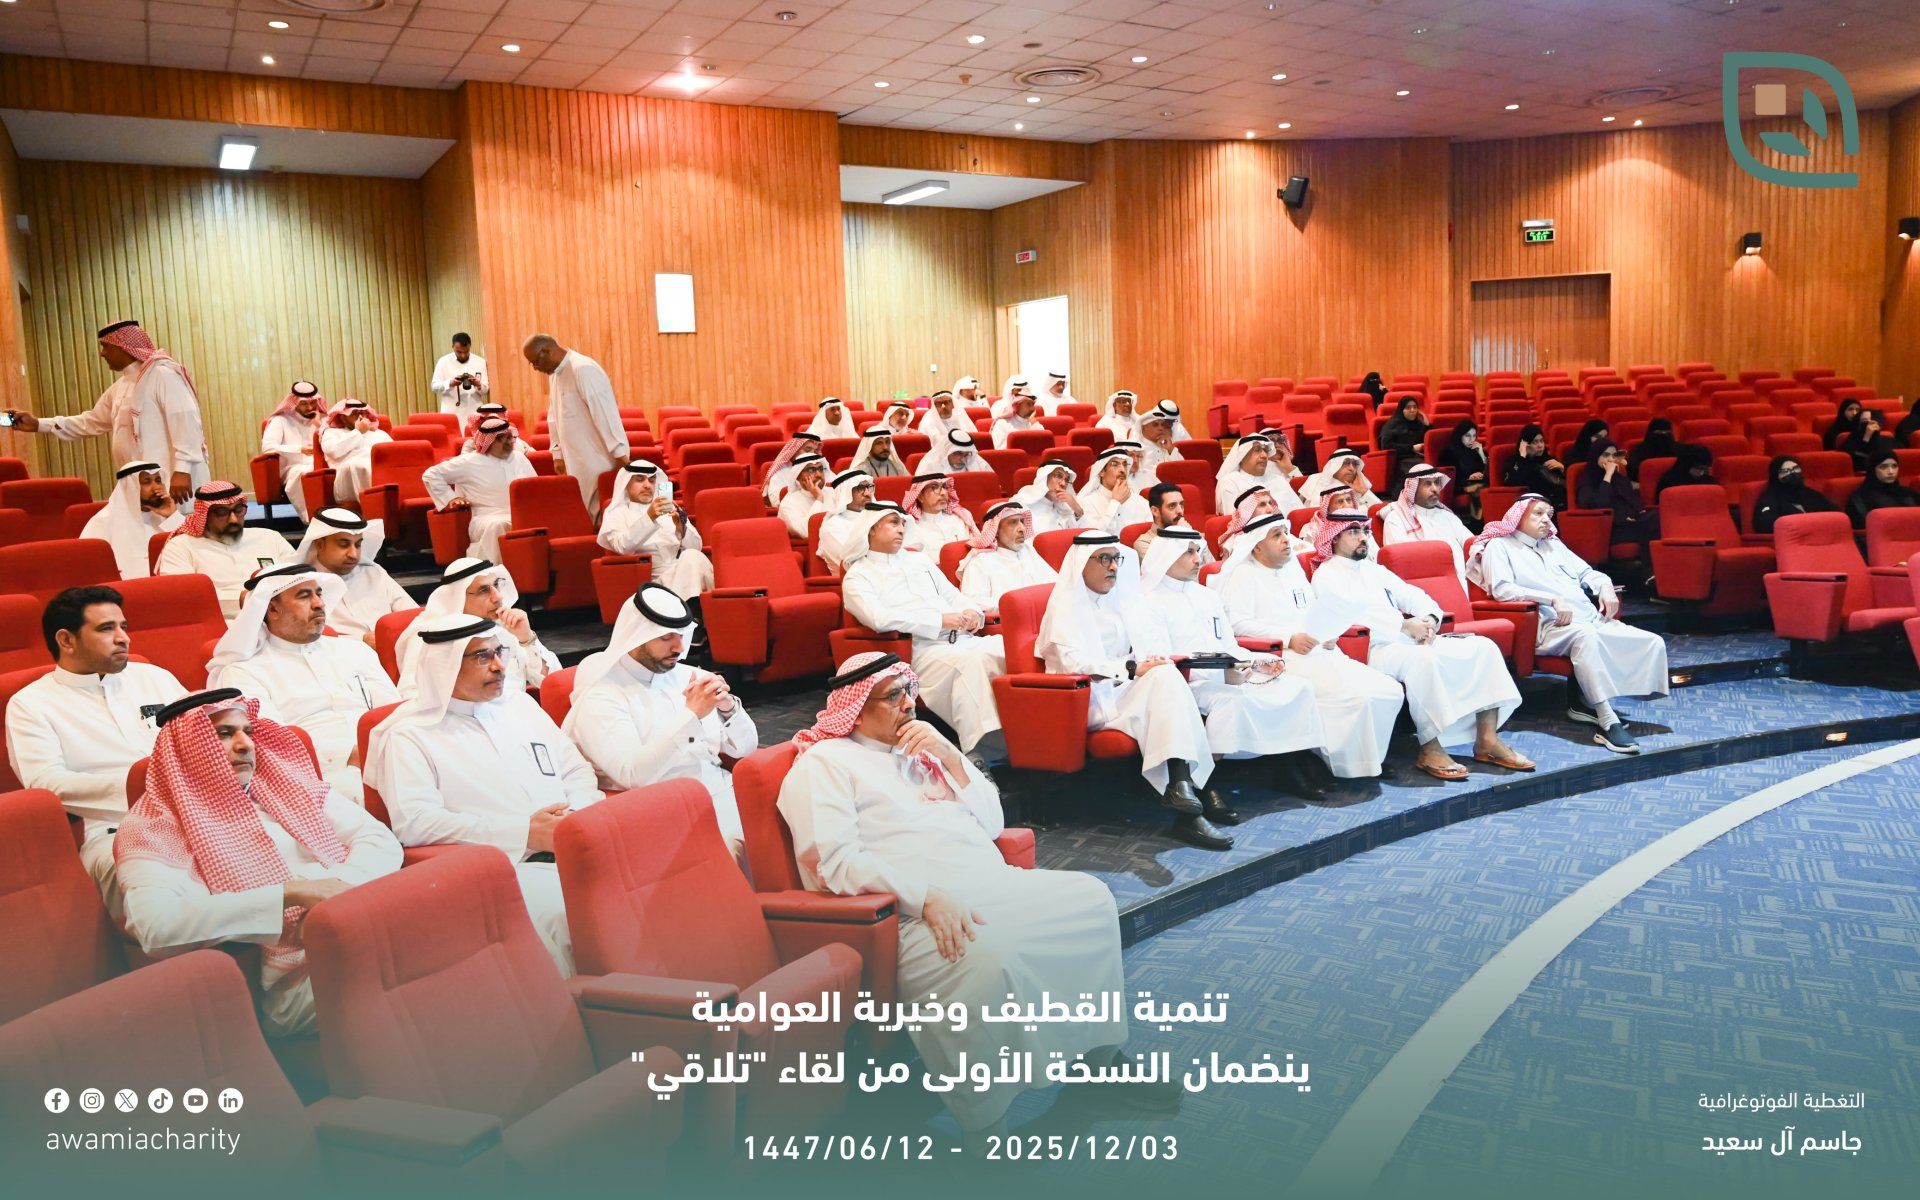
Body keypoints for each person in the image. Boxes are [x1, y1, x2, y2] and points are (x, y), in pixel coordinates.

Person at [777, 652, 1162, 1146]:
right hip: (914, 912)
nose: (908, 704)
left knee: (1092, 901)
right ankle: (986, 1128)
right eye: (893, 696)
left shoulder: (921, 748)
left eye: (909, 690)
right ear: (853, 708)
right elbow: (833, 863)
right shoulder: (824, 763)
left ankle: (1100, 1066)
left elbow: (993, 822)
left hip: (991, 883)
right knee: (986, 955)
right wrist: (925, 898)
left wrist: (951, 755)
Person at [115, 689, 402, 1037]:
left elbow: (378, 839)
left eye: (247, 732)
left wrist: (333, 898)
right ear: (185, 748)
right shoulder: (154, 826)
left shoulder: (283, 784)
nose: (245, 744)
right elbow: (155, 927)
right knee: (426, 967)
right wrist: (290, 894)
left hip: (359, 930)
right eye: (223, 734)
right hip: (300, 981)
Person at [367, 614, 601, 975]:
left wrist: (572, 820)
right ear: (444, 665)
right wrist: (524, 832)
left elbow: (577, 770)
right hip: (507, 867)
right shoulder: (410, 735)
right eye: (482, 657)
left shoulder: (520, 706)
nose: (499, 666)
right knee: (578, 909)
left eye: (498, 652)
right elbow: (415, 823)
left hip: (576, 844)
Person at [1037, 534, 1231, 848]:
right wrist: (1130, 669)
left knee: (1165, 675)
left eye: (1116, 559)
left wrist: (1152, 660)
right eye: (1104, 559)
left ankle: (1182, 792)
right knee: (1164, 686)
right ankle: (1191, 791)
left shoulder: (1120, 599)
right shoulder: (1065, 605)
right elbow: (1075, 662)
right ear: (1081, 563)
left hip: (1123, 691)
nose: (1113, 566)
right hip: (1088, 698)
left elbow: (1146, 643)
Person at [1311, 514, 1528, 779]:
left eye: (1365, 531)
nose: (1363, 537)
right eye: (1353, 532)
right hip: (1370, 649)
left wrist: (1430, 620)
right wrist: (1404, 626)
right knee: (1423, 661)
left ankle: (1487, 740)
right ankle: (1430, 748)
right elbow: (1349, 615)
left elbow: (1412, 594)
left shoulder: (1373, 569)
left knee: (1483, 647)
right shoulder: (1326, 575)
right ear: (1334, 538)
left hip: (1405, 640)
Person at [6, 586, 186, 901]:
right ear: (66, 640)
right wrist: (139, 788)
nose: (124, 638)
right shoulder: (30, 704)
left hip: (196, 811)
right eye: (106, 629)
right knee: (160, 874)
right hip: (112, 829)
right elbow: (45, 784)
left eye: (123, 626)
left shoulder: (154, 677)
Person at [563, 585, 756, 867]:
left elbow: (746, 749)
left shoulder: (689, 675)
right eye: (666, 637)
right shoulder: (603, 696)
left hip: (722, 791)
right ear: (636, 636)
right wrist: (691, 715)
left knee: (794, 816)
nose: (679, 647)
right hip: (663, 812)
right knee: (736, 844)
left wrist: (729, 709)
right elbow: (632, 775)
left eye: (682, 635)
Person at [1468, 496, 1670, 754]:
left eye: (1548, 514)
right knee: (1586, 638)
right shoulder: (1499, 545)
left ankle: (1585, 702)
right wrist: (1550, 599)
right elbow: (1502, 590)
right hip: (1548, 625)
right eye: (1538, 513)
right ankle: (1607, 721)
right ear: (1517, 517)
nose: (1546, 520)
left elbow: (1587, 572)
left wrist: (1605, 586)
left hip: (1587, 617)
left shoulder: (1553, 544)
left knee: (1651, 641)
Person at [1138, 530, 1329, 799]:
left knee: (1297, 687)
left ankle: (1288, 766)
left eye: (1197, 552)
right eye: (1188, 552)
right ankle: (1205, 783)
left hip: (1228, 675)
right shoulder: (1148, 601)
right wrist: (1223, 673)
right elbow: (1162, 659)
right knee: (1231, 701)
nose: (1198, 560)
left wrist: (1257, 662)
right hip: (1186, 684)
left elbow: (1229, 645)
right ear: (1166, 556)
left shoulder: (1207, 596)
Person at [1212, 513, 1402, 779]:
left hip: (1320, 651)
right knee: (1355, 697)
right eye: (1276, 535)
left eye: (1285, 533)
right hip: (1281, 656)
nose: (1286, 540)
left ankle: (1370, 758)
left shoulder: (1292, 569)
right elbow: (1238, 625)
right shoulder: (1244, 575)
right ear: (1256, 546)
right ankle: (1342, 763)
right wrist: (1289, 637)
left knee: (1387, 689)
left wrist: (1328, 632)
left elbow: (1313, 611)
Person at [207, 564, 399, 802]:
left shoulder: (356, 650)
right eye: (304, 596)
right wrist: (347, 755)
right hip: (319, 775)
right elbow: (273, 745)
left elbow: (394, 712)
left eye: (319, 594)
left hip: (387, 754)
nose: (319, 604)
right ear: (273, 609)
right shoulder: (243, 672)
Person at [841, 505, 1004, 752]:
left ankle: (1027, 734)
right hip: (919, 649)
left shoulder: (919, 560)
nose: (901, 529)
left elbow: (952, 595)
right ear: (871, 529)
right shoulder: (858, 575)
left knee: (1008, 649)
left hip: (963, 638)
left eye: (902, 524)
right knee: (970, 664)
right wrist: (938, 621)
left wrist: (973, 612)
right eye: (893, 523)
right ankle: (980, 752)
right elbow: (878, 618)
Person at [7, 320, 208, 503]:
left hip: (174, 482)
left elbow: (186, 422)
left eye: (106, 347)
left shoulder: (163, 375)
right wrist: (39, 424)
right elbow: (91, 422)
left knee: (179, 530)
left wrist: (183, 471)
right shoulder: (120, 386)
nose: (102, 354)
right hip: (140, 484)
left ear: (123, 347)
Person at [397, 557, 559, 698]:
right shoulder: (432, 637)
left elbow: (552, 682)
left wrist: (526, 638)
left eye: (496, 585)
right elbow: (412, 696)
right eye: (483, 590)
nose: (498, 597)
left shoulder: (504, 626)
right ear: (458, 597)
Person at [154, 482, 296, 621]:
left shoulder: (269, 537)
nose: (233, 519)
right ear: (204, 515)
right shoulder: (181, 546)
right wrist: (241, 599)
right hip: (222, 624)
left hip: (282, 619)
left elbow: (299, 576)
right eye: (222, 512)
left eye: (238, 510)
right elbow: (181, 596)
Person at [521, 333, 628, 517]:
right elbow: (553, 416)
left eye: (535, 362)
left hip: (600, 461)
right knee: (586, 515)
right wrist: (557, 454)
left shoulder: (584, 369)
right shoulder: (555, 374)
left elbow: (605, 414)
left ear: (547, 351)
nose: (535, 368)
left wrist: (620, 457)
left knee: (605, 516)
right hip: (575, 461)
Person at [421, 415, 537, 563]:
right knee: (498, 525)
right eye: (503, 439)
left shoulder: (519, 458)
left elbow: (534, 486)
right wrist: (451, 498)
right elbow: (431, 475)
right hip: (486, 517)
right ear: (491, 441)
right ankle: (495, 572)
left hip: (521, 514)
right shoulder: (468, 461)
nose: (509, 442)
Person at [293, 508, 412, 643]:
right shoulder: (300, 586)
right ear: (320, 545)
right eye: (344, 545)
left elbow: (413, 615)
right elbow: (305, 640)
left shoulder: (373, 573)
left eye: (358, 545)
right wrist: (361, 641)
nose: (353, 554)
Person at [596, 461, 711, 598]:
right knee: (692, 559)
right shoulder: (617, 513)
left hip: (684, 570)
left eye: (651, 480)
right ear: (626, 484)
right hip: (653, 581)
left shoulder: (671, 508)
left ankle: (688, 608)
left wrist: (682, 530)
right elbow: (622, 547)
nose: (647, 485)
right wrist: (649, 518)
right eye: (640, 480)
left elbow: (696, 547)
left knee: (692, 556)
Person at [80, 460, 182, 579]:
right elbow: (87, 565)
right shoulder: (103, 521)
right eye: (147, 482)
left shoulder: (165, 517)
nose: (156, 487)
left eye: (158, 480)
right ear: (131, 487)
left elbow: (191, 547)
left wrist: (172, 516)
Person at [1380, 463, 1473, 584]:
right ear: (1413, 488)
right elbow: (1399, 562)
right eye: (1428, 484)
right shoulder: (1396, 518)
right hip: (1422, 584)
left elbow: (1471, 543)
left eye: (1436, 483)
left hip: (1463, 580)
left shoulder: (1448, 516)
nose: (1435, 489)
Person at [958, 501, 1055, 607]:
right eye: (1013, 522)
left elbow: (1055, 582)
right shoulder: (980, 561)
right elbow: (974, 601)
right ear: (996, 531)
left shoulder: (1028, 550)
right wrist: (1015, 605)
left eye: (1022, 521)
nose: (1022, 528)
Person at [1575, 439, 1659, 554]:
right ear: (1596, 457)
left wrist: (1633, 514)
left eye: (1614, 455)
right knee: (1650, 527)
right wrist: (1608, 475)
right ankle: (1650, 565)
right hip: (1609, 528)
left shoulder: (1618, 478)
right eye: (1605, 455)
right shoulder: (1587, 479)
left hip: (1629, 523)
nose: (1611, 459)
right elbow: (1600, 503)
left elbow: (1634, 501)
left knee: (1658, 516)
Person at [261, 381, 322, 520]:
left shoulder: (321, 420)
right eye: (304, 404)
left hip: (320, 465)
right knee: (304, 472)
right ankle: (313, 519)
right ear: (294, 403)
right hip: (292, 468)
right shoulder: (280, 421)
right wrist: (299, 449)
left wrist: (319, 425)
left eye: (313, 403)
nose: (310, 407)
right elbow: (268, 448)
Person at [317, 398, 392, 505]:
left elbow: (393, 455)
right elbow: (334, 452)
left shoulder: (379, 433)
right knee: (358, 465)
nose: (360, 417)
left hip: (378, 475)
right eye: (354, 414)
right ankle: (372, 505)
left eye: (363, 413)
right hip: (346, 481)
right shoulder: (331, 433)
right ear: (343, 417)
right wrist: (358, 432)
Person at [1215, 433, 1301, 515]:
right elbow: (1235, 521)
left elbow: (1300, 512)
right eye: (1257, 450)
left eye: (1266, 450)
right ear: (1242, 456)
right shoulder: (1231, 482)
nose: (1264, 455)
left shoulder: (1279, 480)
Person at [1751, 455, 1840, 534]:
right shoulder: (1769, 499)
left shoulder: (1810, 494)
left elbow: (1836, 513)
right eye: (1786, 471)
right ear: (1776, 476)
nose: (1793, 473)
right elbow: (1764, 525)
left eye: (1796, 468)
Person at [903, 471, 977, 554]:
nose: (943, 493)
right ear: (920, 497)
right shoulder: (912, 527)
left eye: (944, 487)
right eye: (934, 487)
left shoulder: (961, 518)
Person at [818, 470, 874, 576]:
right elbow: (852, 563)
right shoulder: (832, 527)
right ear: (845, 493)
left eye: (869, 487)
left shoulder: (877, 518)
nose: (867, 493)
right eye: (860, 488)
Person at [1846, 448, 1920, 528]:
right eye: (1883, 467)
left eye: (1894, 466)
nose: (1891, 472)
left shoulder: (1909, 493)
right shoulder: (1860, 499)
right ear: (1873, 469)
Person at [1010, 458, 1085, 533]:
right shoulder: (1023, 500)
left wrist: (1076, 508)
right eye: (1058, 476)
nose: (1063, 484)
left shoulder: (1062, 508)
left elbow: (1077, 533)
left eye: (1067, 480)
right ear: (1045, 477)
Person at [1133, 481, 1206, 558]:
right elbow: (1166, 565)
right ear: (1155, 511)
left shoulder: (1192, 534)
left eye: (1181, 504)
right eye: (1172, 506)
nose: (1180, 511)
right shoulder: (1144, 543)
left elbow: (1210, 563)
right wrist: (1181, 536)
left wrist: (1188, 535)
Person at [1503, 425, 1567, 510]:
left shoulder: (1549, 460)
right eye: (1535, 442)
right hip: (1532, 506)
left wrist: (1563, 469)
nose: (1540, 445)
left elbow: (1564, 484)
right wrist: (1522, 458)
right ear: (1525, 444)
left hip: (1556, 503)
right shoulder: (1516, 461)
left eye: (1541, 441)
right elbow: (1511, 482)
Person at [1439, 420, 1489, 524]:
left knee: (1486, 487)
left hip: (1477, 482)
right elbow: (1449, 477)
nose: (1472, 439)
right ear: (1460, 435)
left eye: (1474, 436)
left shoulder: (1474, 450)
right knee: (1478, 488)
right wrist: (1469, 478)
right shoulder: (1449, 452)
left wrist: (1481, 453)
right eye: (1468, 436)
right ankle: (1477, 526)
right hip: (1458, 486)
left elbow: (1486, 470)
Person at [1298, 447, 1380, 507]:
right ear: (1334, 465)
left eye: (1355, 464)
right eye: (1346, 463)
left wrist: (1364, 491)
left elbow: (1380, 511)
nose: (1351, 468)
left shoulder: (1359, 486)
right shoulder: (1315, 480)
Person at [1378, 395, 1429, 492]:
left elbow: (1428, 439)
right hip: (1401, 459)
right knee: (1424, 469)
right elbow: (1386, 445)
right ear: (1402, 410)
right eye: (1408, 408)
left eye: (1415, 407)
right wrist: (1411, 448)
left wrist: (1426, 423)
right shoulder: (1392, 425)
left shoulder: (1418, 424)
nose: (1412, 410)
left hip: (1418, 457)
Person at [431, 332, 489, 416]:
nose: (463, 355)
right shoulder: (443, 362)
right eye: (459, 352)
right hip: (451, 412)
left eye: (466, 351)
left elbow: (485, 390)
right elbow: (434, 386)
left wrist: (477, 384)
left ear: (470, 346)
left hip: (474, 412)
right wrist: (450, 383)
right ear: (452, 346)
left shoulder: (480, 362)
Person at [1219, 486, 1285, 558]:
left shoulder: (1283, 531)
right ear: (1247, 512)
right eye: (1262, 505)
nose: (1270, 510)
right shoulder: (1237, 542)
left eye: (1270, 503)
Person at [777, 454, 831, 538]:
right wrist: (819, 499)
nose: (818, 474)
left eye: (820, 469)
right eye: (811, 470)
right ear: (798, 476)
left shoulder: (834, 493)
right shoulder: (788, 503)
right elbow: (807, 532)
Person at [763, 433, 825, 504]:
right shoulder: (781, 472)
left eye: (816, 451)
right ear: (794, 451)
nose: (812, 454)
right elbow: (776, 501)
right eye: (807, 450)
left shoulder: (821, 469)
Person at [1832, 402, 1890, 471]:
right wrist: (1866, 437)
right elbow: (1856, 463)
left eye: (1873, 423)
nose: (1870, 427)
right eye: (1866, 422)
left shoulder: (1888, 441)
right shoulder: (1852, 440)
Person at [1135, 404, 1185, 475]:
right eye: (1155, 425)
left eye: (1163, 425)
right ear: (1143, 428)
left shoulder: (1167, 447)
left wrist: (1170, 449)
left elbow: (1182, 469)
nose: (1161, 428)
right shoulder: (1134, 449)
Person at [1627, 418, 1680, 482]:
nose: (1663, 436)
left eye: (1667, 433)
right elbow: (1634, 471)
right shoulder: (1641, 449)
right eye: (1659, 433)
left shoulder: (1679, 448)